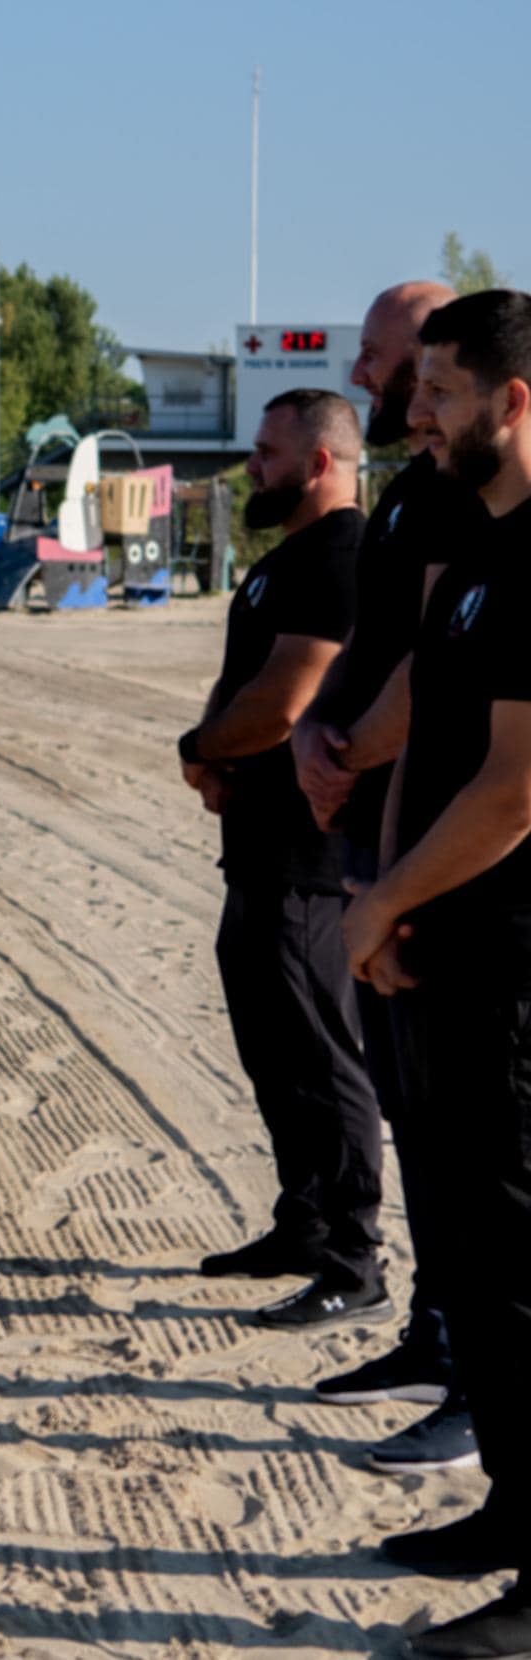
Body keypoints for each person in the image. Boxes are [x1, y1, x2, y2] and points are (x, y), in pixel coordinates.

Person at [344, 290, 531, 1658]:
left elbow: (520, 794)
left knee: (518, 1265)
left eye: (447, 390)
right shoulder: (486, 555)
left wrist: (388, 896)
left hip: (515, 973)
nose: (424, 412)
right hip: (448, 946)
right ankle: (510, 1519)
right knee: (472, 1252)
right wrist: (394, 899)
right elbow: (441, 740)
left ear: (512, 402)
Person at [290, 283, 481, 1473]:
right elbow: (385, 651)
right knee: (421, 1115)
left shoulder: (484, 507)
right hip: (381, 829)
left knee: (475, 1140)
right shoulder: (417, 492)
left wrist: (350, 749)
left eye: (380, 354)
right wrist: (326, 735)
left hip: (442, 852)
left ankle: (480, 1381)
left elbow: (443, 683)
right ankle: (432, 1331)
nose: (367, 373)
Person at [178, 389, 385, 1328]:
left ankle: (354, 1258)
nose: (253, 466)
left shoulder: (344, 557)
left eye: (268, 453)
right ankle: (302, 1222)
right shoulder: (286, 560)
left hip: (310, 858)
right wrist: (211, 749)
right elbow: (245, 684)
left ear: (323, 462)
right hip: (255, 853)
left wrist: (213, 747)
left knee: (325, 1055)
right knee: (275, 1050)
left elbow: (288, 696)